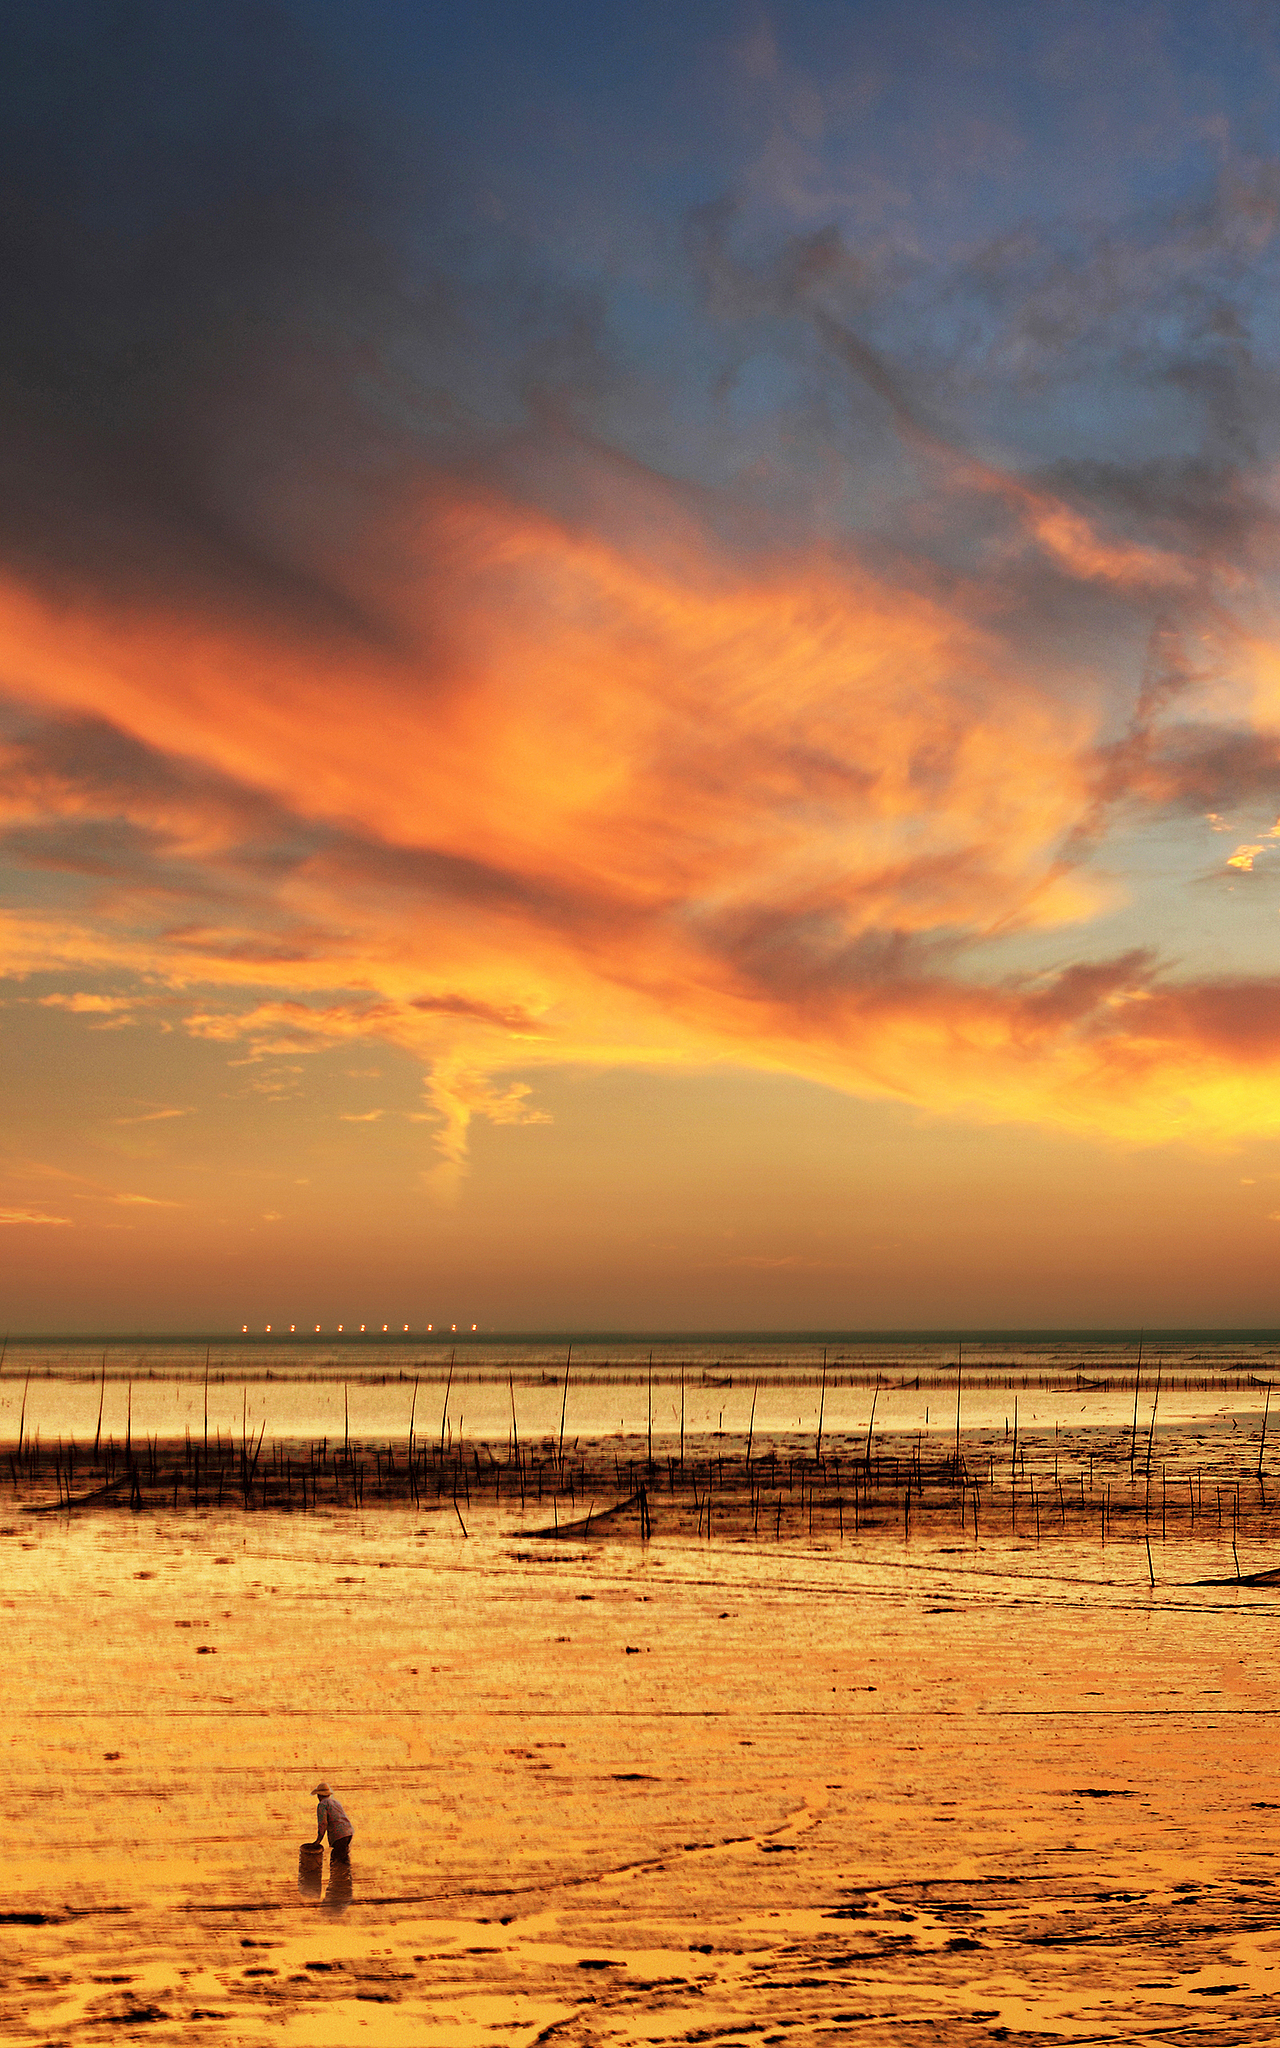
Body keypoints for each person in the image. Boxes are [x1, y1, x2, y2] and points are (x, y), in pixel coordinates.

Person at [311, 1782, 354, 1863]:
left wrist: (318, 1840)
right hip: (348, 1832)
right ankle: (347, 1870)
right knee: (344, 1858)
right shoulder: (335, 1802)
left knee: (336, 1860)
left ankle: (341, 1871)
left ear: (319, 1796)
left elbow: (323, 1823)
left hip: (338, 1835)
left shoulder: (322, 1805)